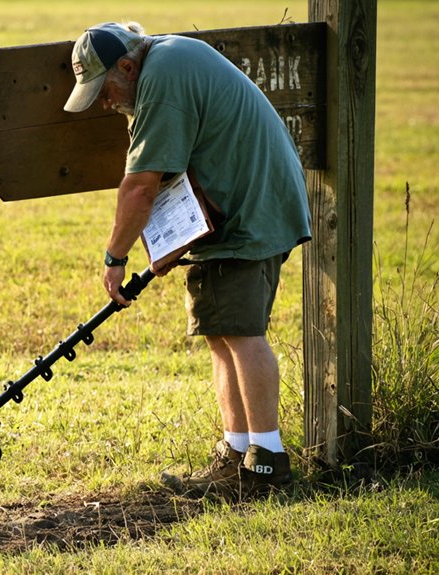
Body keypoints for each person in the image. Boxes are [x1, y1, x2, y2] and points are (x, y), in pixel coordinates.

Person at [63, 22, 311, 497]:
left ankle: (267, 461)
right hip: (236, 208)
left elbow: (140, 187)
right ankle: (236, 452)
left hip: (246, 212)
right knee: (222, 331)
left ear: (127, 67)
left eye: (104, 90)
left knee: (242, 334)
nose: (105, 103)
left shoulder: (162, 78)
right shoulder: (165, 61)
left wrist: (115, 257)